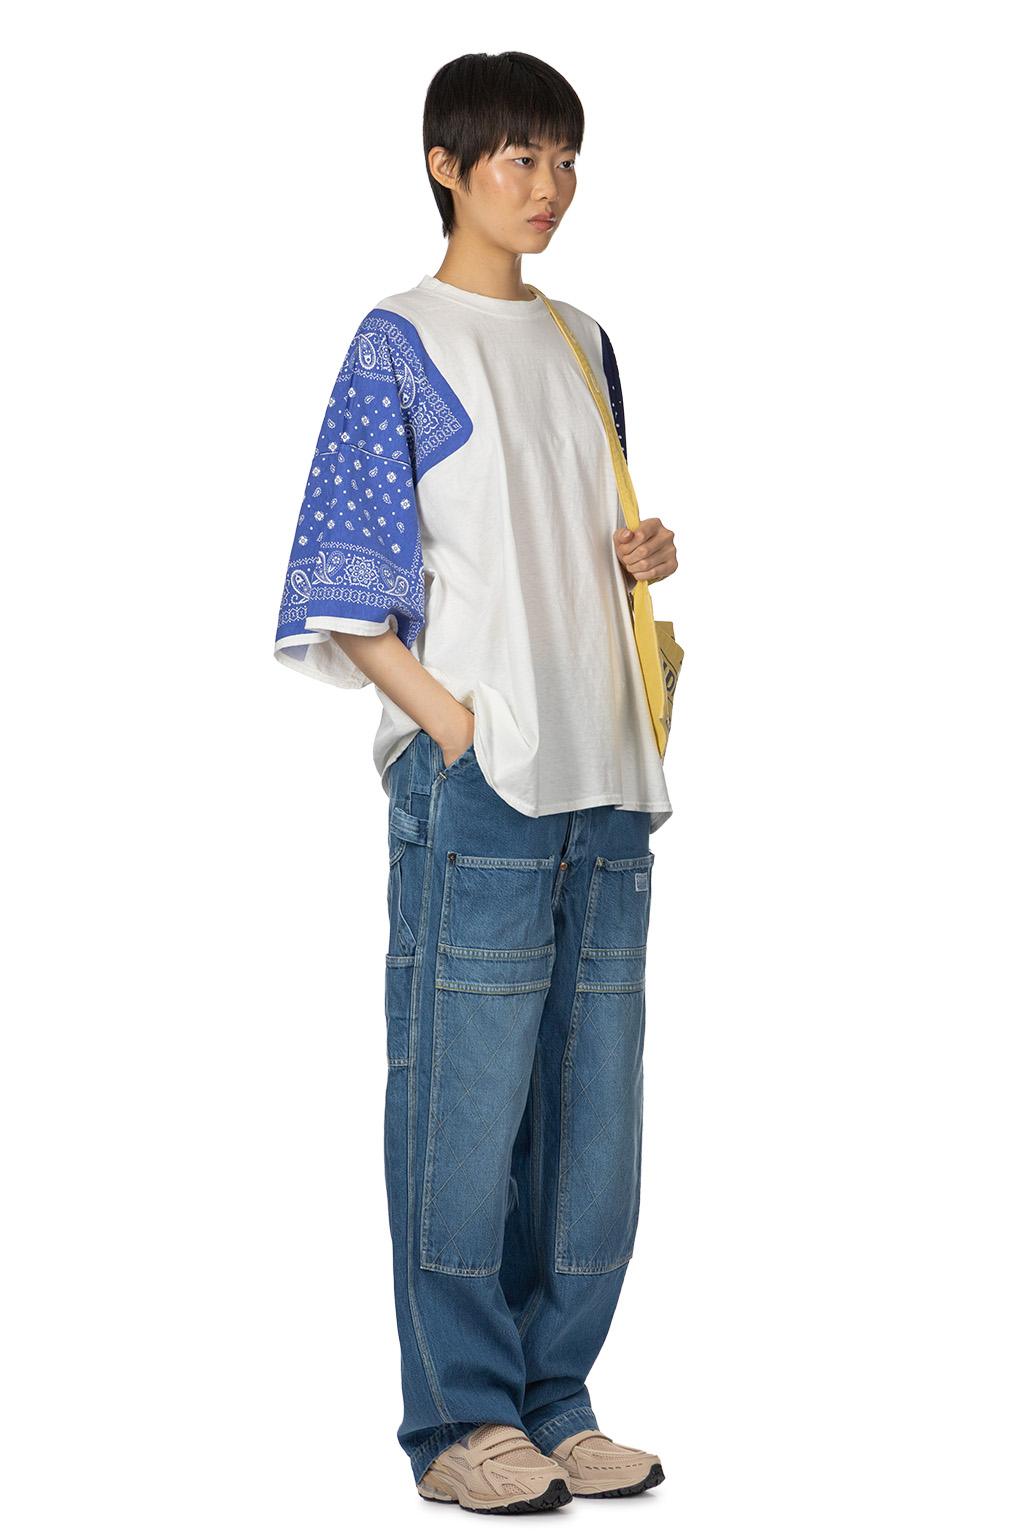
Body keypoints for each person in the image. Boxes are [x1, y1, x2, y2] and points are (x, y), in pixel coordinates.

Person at [273, 50, 677, 1512]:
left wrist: (640, 554)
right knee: (463, 1103)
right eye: (519, 157)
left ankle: (556, 1400)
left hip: (608, 774)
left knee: (591, 1123)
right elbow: (342, 584)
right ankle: (459, 1423)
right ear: (447, 166)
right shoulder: (400, 341)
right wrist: (453, 725)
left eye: (565, 159)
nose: (549, 185)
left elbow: (560, 530)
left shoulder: (584, 338)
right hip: (487, 779)